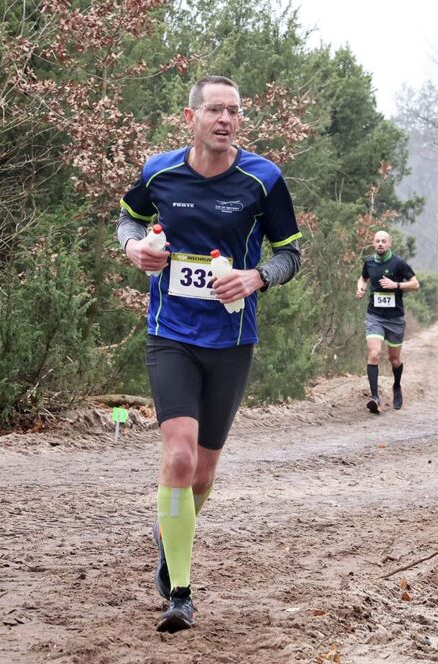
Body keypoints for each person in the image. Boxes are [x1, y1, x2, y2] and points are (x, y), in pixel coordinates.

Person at [117, 75, 302, 633]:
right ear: (191, 116)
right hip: (170, 333)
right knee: (177, 456)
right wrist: (136, 248)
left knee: (201, 473)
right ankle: (180, 590)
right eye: (215, 110)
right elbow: (127, 216)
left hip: (231, 340)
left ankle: (170, 533)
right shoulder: (160, 171)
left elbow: (291, 254)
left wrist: (257, 278)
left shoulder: (262, 178)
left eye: (235, 111)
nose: (225, 119)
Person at [355, 230, 420, 414]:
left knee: (394, 359)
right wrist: (361, 289)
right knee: (374, 353)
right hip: (375, 315)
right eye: (377, 241)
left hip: (395, 319)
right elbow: (363, 278)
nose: (380, 244)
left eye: (384, 241)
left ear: (389, 243)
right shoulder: (368, 262)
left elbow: (415, 284)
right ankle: (375, 398)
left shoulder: (398, 263)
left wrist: (396, 285)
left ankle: (397, 386)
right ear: (373, 243)